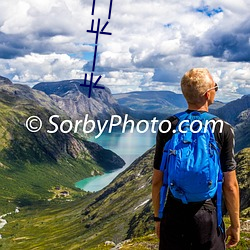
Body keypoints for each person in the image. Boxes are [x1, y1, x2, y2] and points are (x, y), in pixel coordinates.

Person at [152, 68, 240, 250]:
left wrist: (158, 218)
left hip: (174, 212)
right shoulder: (222, 129)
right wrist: (235, 225)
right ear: (208, 94)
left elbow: (157, 181)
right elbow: (230, 185)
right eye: (216, 87)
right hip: (207, 215)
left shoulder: (168, 125)